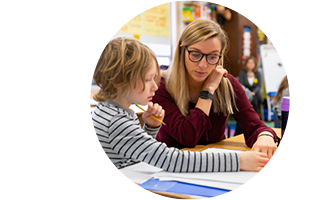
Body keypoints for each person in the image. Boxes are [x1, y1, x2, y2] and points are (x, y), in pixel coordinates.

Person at [91, 37, 269, 172]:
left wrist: (151, 129)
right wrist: (240, 161)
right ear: (117, 81)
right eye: (148, 79)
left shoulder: (114, 112)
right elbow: (170, 160)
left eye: (213, 57)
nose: (154, 86)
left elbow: (135, 152)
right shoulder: (116, 121)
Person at [152, 19, 279, 159]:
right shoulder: (160, 86)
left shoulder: (227, 84)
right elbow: (188, 137)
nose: (203, 65)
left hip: (214, 165)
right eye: (195, 54)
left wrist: (265, 136)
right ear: (182, 50)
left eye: (212, 57)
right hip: (170, 167)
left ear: (219, 57)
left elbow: (256, 126)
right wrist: (208, 90)